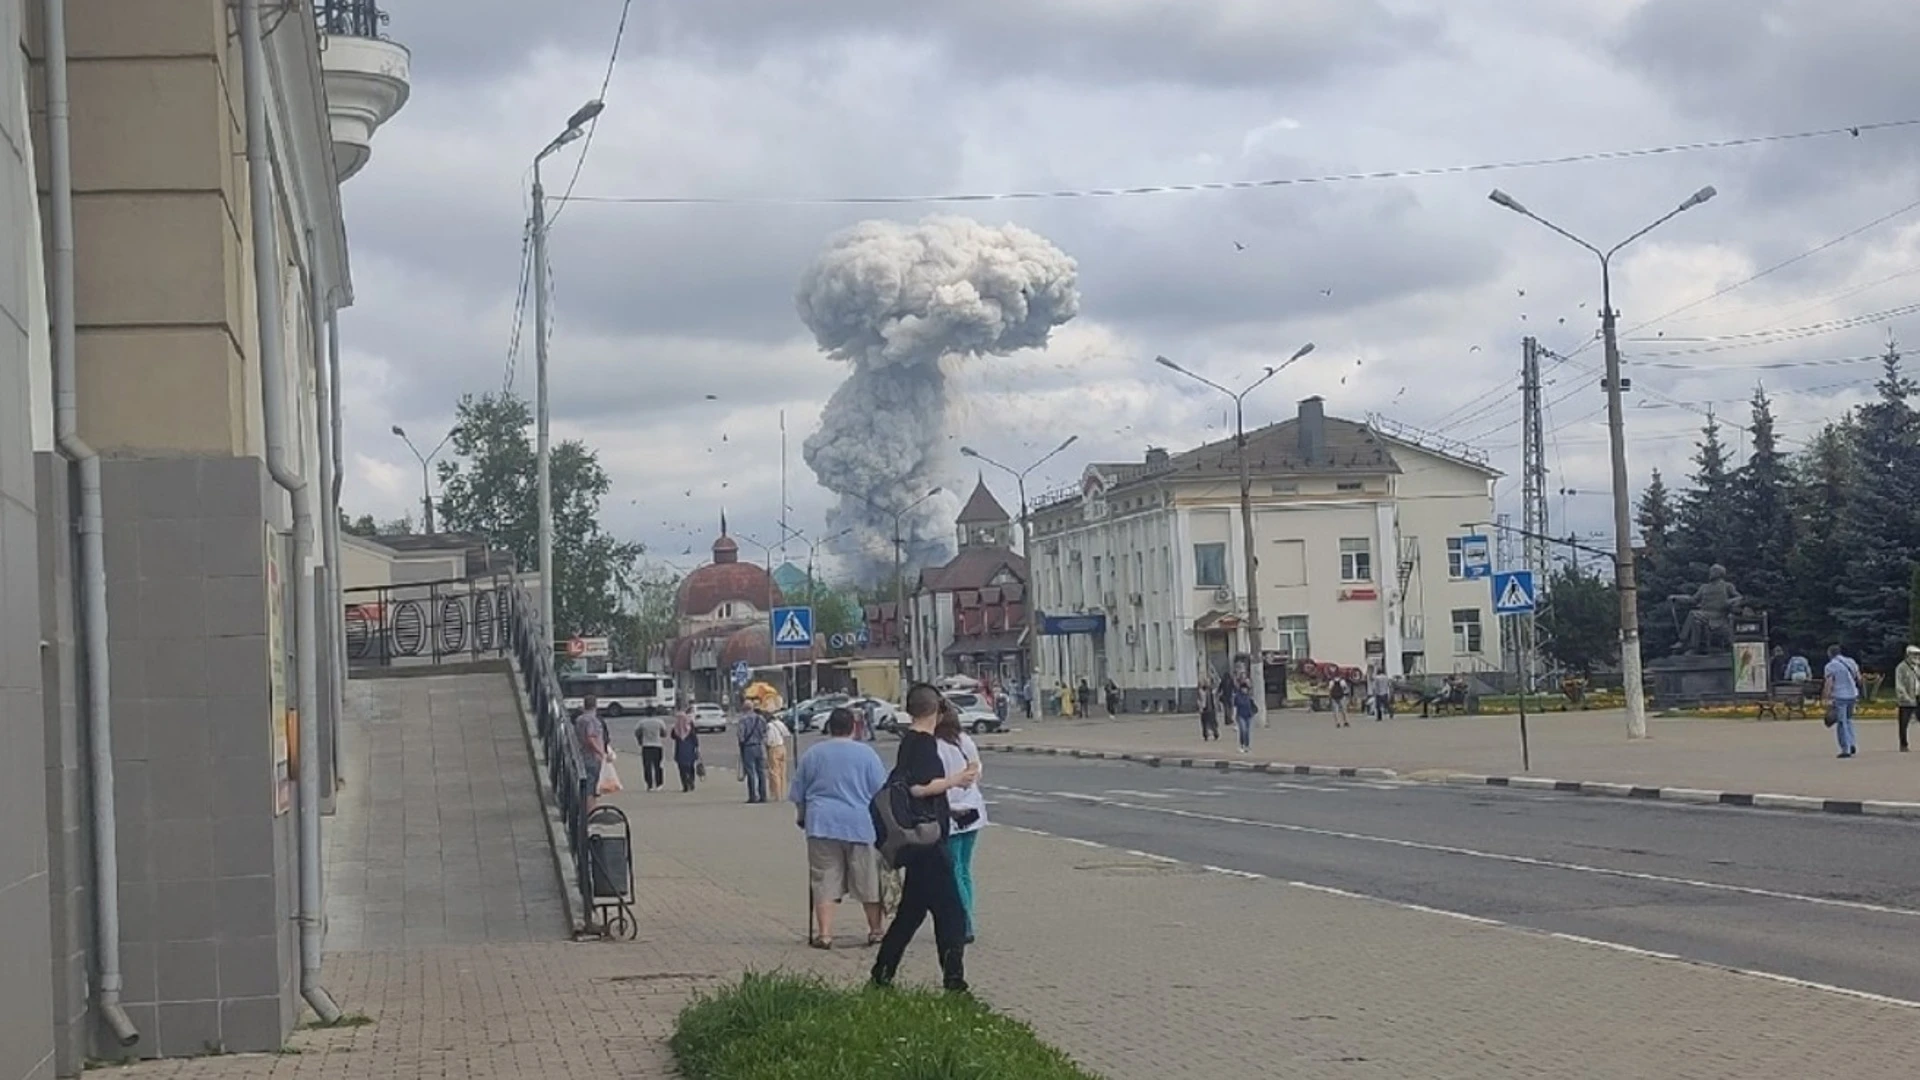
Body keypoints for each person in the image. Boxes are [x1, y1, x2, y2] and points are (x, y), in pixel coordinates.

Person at [871, 684, 978, 994]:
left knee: (909, 917)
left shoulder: (908, 742)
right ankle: (954, 984)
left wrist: (951, 811)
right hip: (930, 846)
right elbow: (920, 788)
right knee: (953, 916)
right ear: (937, 711)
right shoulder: (924, 744)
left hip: (919, 843)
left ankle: (881, 977)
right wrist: (957, 780)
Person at [792, 707, 889, 949]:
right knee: (868, 879)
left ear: (829, 727)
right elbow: (880, 792)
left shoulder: (813, 754)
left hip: (821, 822)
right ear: (854, 728)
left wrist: (802, 816)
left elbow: (798, 793)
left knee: (824, 878)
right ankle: (876, 930)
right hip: (860, 823)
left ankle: (825, 934)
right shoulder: (866, 754)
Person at [934, 708, 988, 944]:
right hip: (973, 811)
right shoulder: (966, 741)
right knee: (964, 869)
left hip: (952, 813)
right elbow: (977, 771)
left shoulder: (935, 746)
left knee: (954, 869)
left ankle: (963, 922)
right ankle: (967, 919)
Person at [1823, 644, 1863, 759]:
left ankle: (1845, 748)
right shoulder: (1851, 661)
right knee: (1849, 720)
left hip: (1840, 695)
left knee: (1841, 722)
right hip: (1852, 694)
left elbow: (1829, 683)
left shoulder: (1830, 666)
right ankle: (1852, 743)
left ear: (1830, 654)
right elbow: (1859, 678)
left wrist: (1826, 697)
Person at [574, 694, 611, 812]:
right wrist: (601, 752)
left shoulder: (579, 720)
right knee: (592, 790)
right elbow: (591, 738)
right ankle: (590, 814)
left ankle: (588, 812)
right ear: (596, 705)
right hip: (592, 758)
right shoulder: (592, 720)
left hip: (581, 755)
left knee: (586, 788)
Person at [737, 704, 770, 802]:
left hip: (748, 747)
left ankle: (753, 796)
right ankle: (763, 796)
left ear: (744, 709)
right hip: (759, 747)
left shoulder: (743, 720)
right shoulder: (760, 719)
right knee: (761, 772)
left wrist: (741, 744)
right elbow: (765, 731)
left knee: (751, 772)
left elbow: (741, 735)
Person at [633, 711, 669, 792]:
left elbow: (636, 732)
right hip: (657, 745)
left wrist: (640, 740)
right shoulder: (660, 722)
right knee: (658, 765)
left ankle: (649, 785)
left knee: (647, 766)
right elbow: (664, 733)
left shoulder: (642, 722)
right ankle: (659, 784)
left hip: (646, 746)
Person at [670, 705, 701, 792]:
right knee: (690, 766)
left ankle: (685, 785)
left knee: (681, 768)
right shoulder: (689, 725)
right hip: (690, 749)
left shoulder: (676, 727)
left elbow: (672, 736)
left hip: (680, 749)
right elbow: (694, 736)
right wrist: (697, 746)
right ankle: (691, 781)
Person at [1896, 645, 1920, 753]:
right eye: (1914, 654)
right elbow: (1899, 685)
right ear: (1908, 655)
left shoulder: (1918, 666)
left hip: (1918, 697)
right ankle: (1903, 744)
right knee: (1904, 723)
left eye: (1918, 654)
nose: (1916, 656)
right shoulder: (1901, 667)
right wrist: (1905, 697)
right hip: (1906, 700)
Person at [766, 711, 792, 801]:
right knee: (782, 771)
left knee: (774, 772)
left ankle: (777, 795)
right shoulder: (780, 724)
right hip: (782, 747)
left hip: (774, 748)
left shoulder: (769, 726)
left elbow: (769, 740)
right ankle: (783, 792)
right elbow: (787, 733)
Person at [1231, 677, 1255, 753]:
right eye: (1243, 688)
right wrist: (1233, 716)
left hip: (1248, 715)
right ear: (1241, 689)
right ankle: (1241, 745)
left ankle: (1247, 746)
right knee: (1243, 730)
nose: (1245, 690)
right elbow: (1235, 706)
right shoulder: (1237, 697)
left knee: (1247, 731)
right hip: (1240, 715)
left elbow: (1251, 704)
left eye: (1246, 689)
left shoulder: (1248, 696)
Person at [1198, 674, 1220, 742]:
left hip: (1212, 708)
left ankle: (1215, 733)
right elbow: (1199, 700)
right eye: (1206, 682)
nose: (1207, 683)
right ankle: (1205, 735)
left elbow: (1217, 685)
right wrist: (1200, 707)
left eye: (1208, 682)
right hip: (1204, 708)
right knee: (1204, 723)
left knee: (1213, 722)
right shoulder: (1201, 691)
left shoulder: (1212, 690)